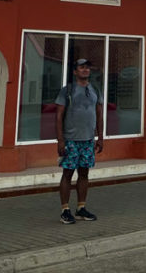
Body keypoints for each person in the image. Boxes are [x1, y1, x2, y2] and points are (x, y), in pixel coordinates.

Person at [55, 58, 103, 224]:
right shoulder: (67, 90)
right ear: (75, 71)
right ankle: (65, 210)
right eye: (81, 67)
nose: (85, 70)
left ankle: (81, 208)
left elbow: (99, 114)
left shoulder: (95, 89)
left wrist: (100, 137)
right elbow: (59, 116)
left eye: (87, 68)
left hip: (88, 140)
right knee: (67, 173)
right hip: (70, 140)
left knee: (84, 173)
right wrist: (60, 140)